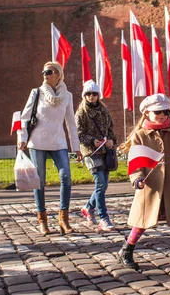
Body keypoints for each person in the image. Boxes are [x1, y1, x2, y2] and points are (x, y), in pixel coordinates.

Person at [118, 94, 170, 275]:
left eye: (166, 111)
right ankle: (126, 250)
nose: (163, 114)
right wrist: (137, 178)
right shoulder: (140, 135)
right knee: (142, 221)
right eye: (158, 111)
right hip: (151, 185)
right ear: (147, 113)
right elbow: (135, 162)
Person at [17, 61, 82, 235]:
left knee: (66, 176)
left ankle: (63, 218)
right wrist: (22, 138)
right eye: (44, 71)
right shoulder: (36, 93)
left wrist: (76, 147)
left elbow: (70, 122)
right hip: (38, 142)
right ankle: (42, 219)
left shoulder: (67, 95)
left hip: (58, 141)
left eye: (49, 71)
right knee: (40, 180)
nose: (45, 74)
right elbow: (24, 117)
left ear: (58, 74)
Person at [75, 80, 117, 231]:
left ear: (98, 95)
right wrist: (93, 141)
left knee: (103, 185)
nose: (91, 96)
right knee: (100, 184)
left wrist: (112, 140)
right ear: (84, 95)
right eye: (88, 94)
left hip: (106, 151)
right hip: (91, 152)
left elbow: (111, 129)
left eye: (94, 94)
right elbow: (78, 134)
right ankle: (103, 218)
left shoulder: (105, 111)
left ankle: (88, 207)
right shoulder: (81, 113)